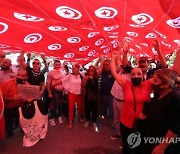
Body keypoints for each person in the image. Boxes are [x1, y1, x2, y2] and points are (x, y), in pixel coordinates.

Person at [111, 50, 153, 154]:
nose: (136, 76)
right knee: (127, 147)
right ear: (130, 76)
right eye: (133, 74)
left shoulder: (148, 84)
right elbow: (114, 73)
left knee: (139, 147)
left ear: (142, 74)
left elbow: (167, 74)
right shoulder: (126, 84)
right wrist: (113, 57)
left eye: (138, 73)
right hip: (126, 121)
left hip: (141, 122)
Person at [142, 68, 180, 154]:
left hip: (163, 144)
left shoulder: (175, 99)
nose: (151, 82)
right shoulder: (157, 93)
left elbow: (175, 128)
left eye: (155, 80)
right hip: (151, 138)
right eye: (152, 78)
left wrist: (162, 147)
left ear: (166, 84)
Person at [2, 69, 31, 137]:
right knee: (7, 122)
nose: (20, 77)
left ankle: (22, 128)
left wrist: (27, 98)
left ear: (26, 77)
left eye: (22, 76)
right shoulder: (8, 83)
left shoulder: (27, 84)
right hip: (9, 106)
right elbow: (2, 98)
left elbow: (28, 99)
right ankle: (9, 130)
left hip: (20, 106)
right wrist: (12, 98)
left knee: (21, 119)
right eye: (18, 75)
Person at [62, 64, 83, 128]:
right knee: (71, 108)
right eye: (73, 68)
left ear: (78, 69)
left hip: (79, 93)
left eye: (76, 68)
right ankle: (70, 121)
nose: (74, 70)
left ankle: (79, 117)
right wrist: (54, 84)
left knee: (80, 107)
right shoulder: (69, 75)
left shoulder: (81, 75)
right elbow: (62, 80)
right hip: (71, 93)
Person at [46, 60, 65, 126]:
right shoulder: (51, 72)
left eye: (59, 65)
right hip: (54, 90)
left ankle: (59, 116)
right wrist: (49, 93)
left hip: (61, 90)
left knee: (60, 104)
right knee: (55, 104)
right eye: (56, 64)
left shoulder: (62, 71)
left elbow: (64, 81)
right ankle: (51, 118)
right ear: (54, 65)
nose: (57, 66)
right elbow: (48, 83)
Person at [82, 66, 99, 132]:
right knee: (87, 109)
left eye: (92, 70)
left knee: (95, 109)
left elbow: (100, 67)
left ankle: (94, 122)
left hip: (95, 95)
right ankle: (87, 120)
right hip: (88, 95)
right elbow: (82, 85)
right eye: (90, 70)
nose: (91, 71)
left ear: (94, 71)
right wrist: (85, 80)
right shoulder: (86, 77)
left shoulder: (96, 77)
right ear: (88, 71)